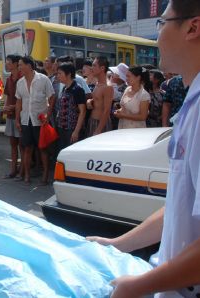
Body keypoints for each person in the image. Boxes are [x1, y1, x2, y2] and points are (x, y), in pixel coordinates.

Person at [88, 1, 200, 296]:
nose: (157, 34)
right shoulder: (192, 100)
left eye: (162, 23)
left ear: (193, 27)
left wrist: (138, 286)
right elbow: (180, 204)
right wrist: (116, 244)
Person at [15, 56, 54, 185]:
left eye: (21, 65)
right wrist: (17, 120)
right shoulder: (20, 82)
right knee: (27, 148)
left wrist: (48, 115)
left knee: (43, 149)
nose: (19, 67)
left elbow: (52, 97)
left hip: (40, 120)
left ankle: (45, 176)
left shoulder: (43, 80)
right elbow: (19, 102)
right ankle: (26, 175)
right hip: (26, 120)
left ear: (29, 66)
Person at [55, 62, 87, 151]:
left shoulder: (77, 89)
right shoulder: (65, 88)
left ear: (68, 74)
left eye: (60, 73)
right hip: (62, 128)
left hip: (72, 129)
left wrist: (76, 131)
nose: (58, 76)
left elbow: (82, 111)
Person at [2, 54, 24, 179]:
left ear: (16, 64)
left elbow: (24, 99)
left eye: (9, 62)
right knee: (12, 143)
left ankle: (22, 170)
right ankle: (13, 169)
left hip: (20, 115)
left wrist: (14, 107)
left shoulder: (22, 78)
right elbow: (7, 96)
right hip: (10, 115)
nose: (7, 64)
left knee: (22, 144)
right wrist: (6, 107)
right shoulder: (9, 79)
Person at [86, 56, 114, 136]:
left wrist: (98, 130)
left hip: (101, 124)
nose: (92, 68)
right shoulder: (98, 83)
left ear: (102, 68)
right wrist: (89, 101)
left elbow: (107, 110)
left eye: (94, 65)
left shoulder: (108, 87)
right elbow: (98, 100)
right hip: (92, 121)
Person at [109, 63, 129, 130]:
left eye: (114, 74)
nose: (112, 75)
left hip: (117, 117)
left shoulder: (126, 88)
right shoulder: (111, 85)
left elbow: (114, 96)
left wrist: (111, 84)